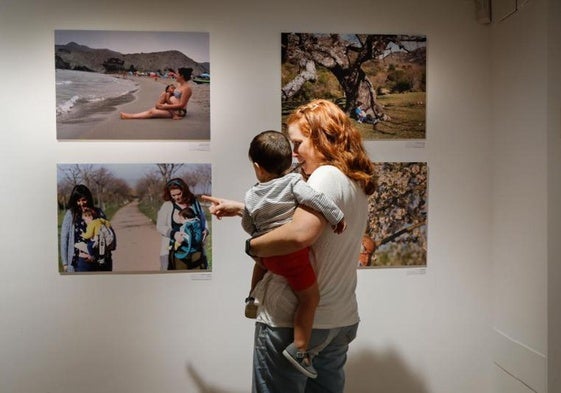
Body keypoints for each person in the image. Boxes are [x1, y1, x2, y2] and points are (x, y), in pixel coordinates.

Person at [202, 98, 375, 393]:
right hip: (339, 319)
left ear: (320, 138)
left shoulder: (324, 175)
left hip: (291, 321)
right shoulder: (353, 181)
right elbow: (312, 224)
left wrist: (253, 246)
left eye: (298, 144)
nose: (293, 155)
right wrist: (242, 208)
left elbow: (299, 233)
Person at [241, 130, 347, 378]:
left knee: (261, 264)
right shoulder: (293, 183)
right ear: (290, 161)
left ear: (258, 168)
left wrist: (259, 228)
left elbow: (248, 225)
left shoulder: (251, 194)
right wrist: (336, 216)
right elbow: (317, 199)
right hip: (291, 257)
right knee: (309, 299)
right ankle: (299, 348)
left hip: (267, 254)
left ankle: (251, 298)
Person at [156, 178, 209, 271]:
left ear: (184, 191)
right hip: (176, 251)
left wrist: (205, 230)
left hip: (196, 251)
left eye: (179, 194)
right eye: (173, 195)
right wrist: (174, 234)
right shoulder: (167, 206)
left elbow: (203, 220)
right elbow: (160, 226)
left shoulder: (194, 204)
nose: (177, 197)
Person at [60, 184, 115, 272]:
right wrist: (65, 263)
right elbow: (64, 238)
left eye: (84, 200)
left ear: (88, 198)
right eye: (78, 201)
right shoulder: (70, 214)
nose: (81, 203)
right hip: (81, 263)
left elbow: (108, 232)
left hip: (100, 262)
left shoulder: (98, 212)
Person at [120, 67, 193, 120]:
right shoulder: (179, 85)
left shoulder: (187, 89)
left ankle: (130, 117)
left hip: (179, 111)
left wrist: (165, 106)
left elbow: (182, 105)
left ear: (182, 76)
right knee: (152, 109)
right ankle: (131, 115)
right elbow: (175, 97)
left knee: (152, 112)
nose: (175, 76)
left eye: (177, 74)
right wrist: (166, 95)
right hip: (171, 107)